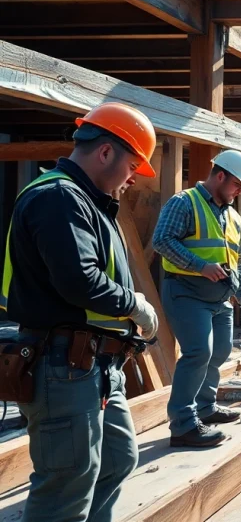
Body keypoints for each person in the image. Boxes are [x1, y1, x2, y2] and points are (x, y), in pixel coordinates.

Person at [1, 103, 159, 521]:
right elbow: (79, 281)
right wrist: (136, 306)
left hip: (96, 365)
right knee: (65, 490)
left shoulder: (87, 202)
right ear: (105, 152)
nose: (131, 180)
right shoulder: (59, 198)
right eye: (131, 166)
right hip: (63, 365)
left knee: (115, 461)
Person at [153, 149, 241, 448]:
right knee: (198, 352)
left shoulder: (233, 216)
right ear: (220, 175)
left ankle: (205, 408)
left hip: (220, 298)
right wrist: (200, 266)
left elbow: (240, 259)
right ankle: (183, 424)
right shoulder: (184, 202)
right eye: (237, 184)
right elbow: (161, 241)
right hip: (186, 292)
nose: (239, 191)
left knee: (220, 351)